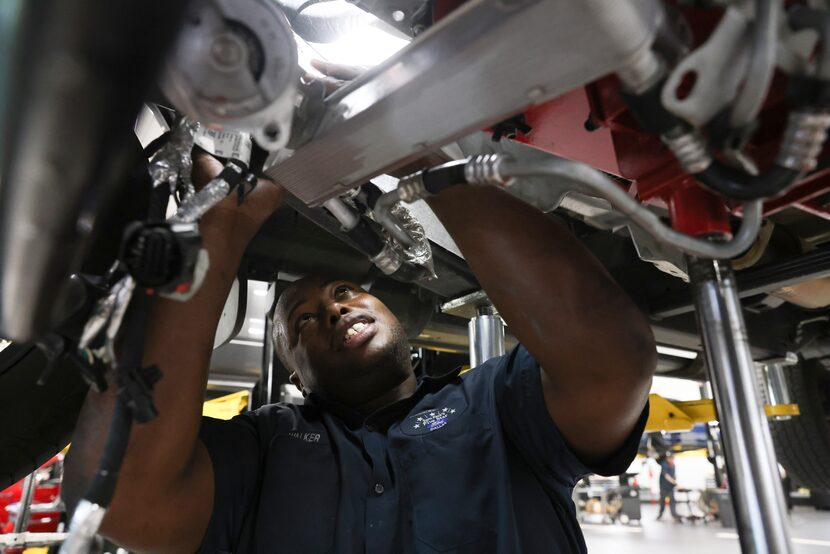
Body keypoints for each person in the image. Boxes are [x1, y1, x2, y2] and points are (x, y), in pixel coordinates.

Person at [63, 148, 656, 553]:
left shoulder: (494, 403)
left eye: (345, 293)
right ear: (293, 373)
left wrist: (424, 155)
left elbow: (611, 361)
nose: (336, 309)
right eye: (304, 322)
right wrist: (220, 227)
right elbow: (118, 495)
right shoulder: (263, 447)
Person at [656, 452, 682, 522]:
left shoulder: (673, 465)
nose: (672, 460)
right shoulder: (664, 464)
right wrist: (675, 483)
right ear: (668, 459)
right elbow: (666, 476)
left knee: (672, 501)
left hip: (670, 487)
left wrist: (675, 482)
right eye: (671, 459)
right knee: (662, 501)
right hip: (663, 486)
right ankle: (660, 514)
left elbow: (673, 475)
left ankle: (674, 515)